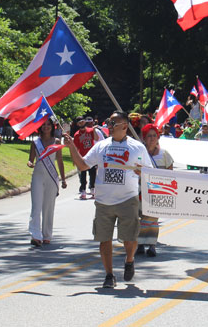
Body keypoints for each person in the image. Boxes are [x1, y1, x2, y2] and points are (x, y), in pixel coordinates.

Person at [64, 110, 153, 288]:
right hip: (104, 201)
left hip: (128, 199)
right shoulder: (101, 146)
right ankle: (109, 275)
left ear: (125, 127)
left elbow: (149, 173)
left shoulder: (137, 147)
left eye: (113, 124)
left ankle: (129, 260)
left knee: (130, 238)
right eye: (109, 123)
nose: (109, 127)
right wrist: (72, 146)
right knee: (104, 239)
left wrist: (140, 171)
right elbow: (83, 165)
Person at [27, 118, 67, 247]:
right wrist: (29, 163)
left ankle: (47, 235)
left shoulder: (56, 142)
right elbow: (31, 159)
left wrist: (63, 179)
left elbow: (59, 161)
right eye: (43, 125)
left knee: (48, 207)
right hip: (38, 176)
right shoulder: (35, 142)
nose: (46, 127)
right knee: (36, 206)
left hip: (52, 177)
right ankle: (35, 235)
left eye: (48, 124)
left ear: (52, 126)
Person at [136, 124, 174, 257]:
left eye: (154, 136)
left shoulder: (164, 154)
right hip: (141, 190)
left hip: (157, 191)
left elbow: (170, 173)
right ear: (144, 138)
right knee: (140, 217)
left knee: (152, 219)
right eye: (149, 136)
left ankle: (152, 245)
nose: (152, 139)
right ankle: (140, 244)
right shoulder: (139, 153)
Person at [73, 116, 99, 199]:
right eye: (79, 122)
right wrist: (75, 159)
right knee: (83, 174)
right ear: (77, 124)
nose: (81, 123)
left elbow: (96, 138)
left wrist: (94, 130)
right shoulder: (77, 135)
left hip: (91, 156)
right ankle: (83, 190)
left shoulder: (90, 130)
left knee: (93, 173)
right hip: (82, 157)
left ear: (85, 121)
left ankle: (92, 189)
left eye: (82, 121)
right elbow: (76, 148)